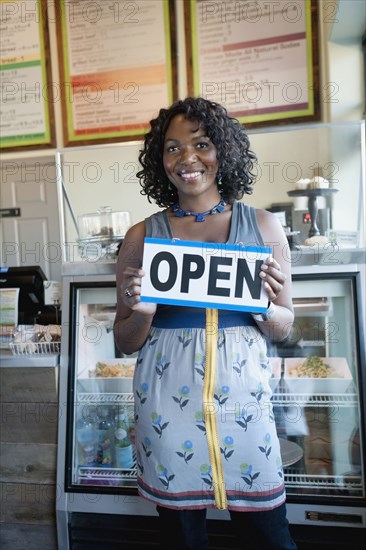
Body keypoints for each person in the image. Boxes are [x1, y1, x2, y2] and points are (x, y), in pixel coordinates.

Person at [114, 97, 296, 550]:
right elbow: (123, 341)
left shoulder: (263, 226)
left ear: (225, 152)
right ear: (160, 161)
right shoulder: (142, 236)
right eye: (172, 148)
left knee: (270, 539)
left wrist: (267, 308)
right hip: (166, 412)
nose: (187, 158)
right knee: (182, 541)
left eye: (202, 144)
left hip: (246, 410)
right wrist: (143, 312)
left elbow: (284, 328)